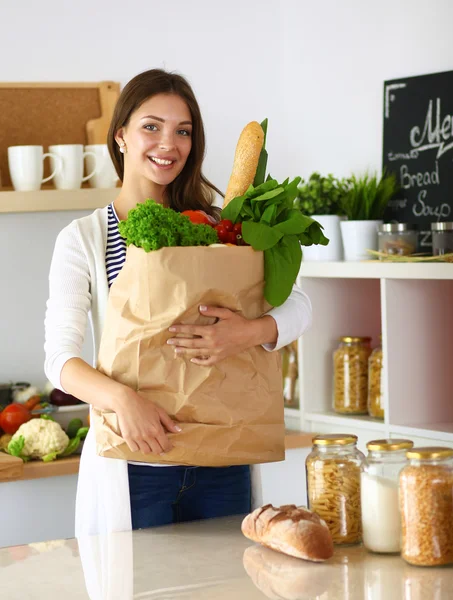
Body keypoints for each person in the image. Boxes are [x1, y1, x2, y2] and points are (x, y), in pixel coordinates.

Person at [44, 69, 313, 536]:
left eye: (182, 131)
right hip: (135, 462)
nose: (168, 143)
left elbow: (302, 306)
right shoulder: (84, 239)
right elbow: (59, 359)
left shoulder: (221, 226)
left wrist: (246, 333)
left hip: (223, 454)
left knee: (227, 586)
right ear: (121, 135)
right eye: (151, 126)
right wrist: (123, 400)